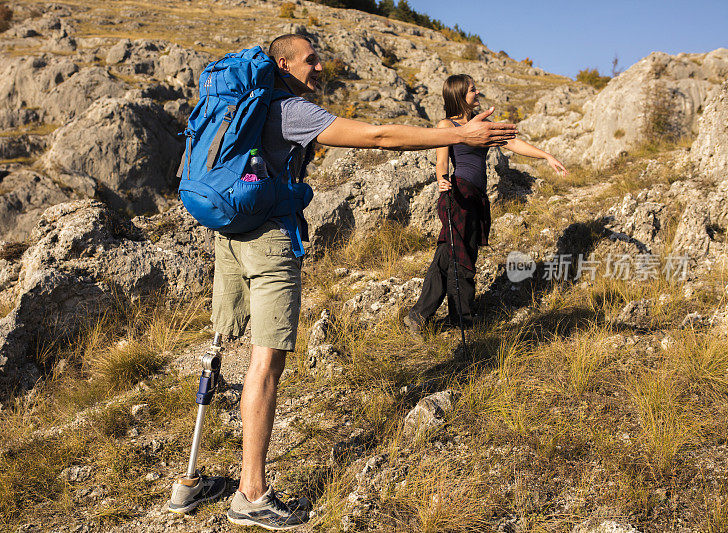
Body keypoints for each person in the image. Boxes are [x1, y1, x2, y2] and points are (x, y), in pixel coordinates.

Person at [215, 36, 517, 530]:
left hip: (229, 232)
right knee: (265, 362)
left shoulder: (242, 107)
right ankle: (251, 492)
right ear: (282, 63)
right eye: (310, 59)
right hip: (268, 240)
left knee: (220, 349)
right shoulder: (289, 109)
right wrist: (457, 138)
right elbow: (379, 136)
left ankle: (189, 480)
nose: (320, 66)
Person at [404, 74, 567, 335]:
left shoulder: (483, 125)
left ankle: (432, 315)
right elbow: (441, 160)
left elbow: (512, 141)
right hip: (458, 194)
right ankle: (454, 318)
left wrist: (546, 155)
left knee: (453, 254)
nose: (477, 93)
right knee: (457, 255)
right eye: (472, 90)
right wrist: (441, 179)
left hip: (477, 197)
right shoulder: (447, 125)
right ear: (459, 95)